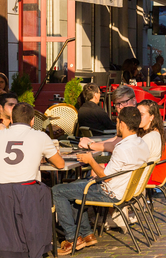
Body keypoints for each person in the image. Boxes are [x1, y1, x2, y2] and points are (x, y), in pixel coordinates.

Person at [52, 107, 149, 255]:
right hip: (125, 189)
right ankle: (86, 234)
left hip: (110, 192)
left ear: (121, 124)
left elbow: (106, 176)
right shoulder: (141, 143)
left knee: (57, 191)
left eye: (117, 122)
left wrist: (90, 160)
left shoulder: (122, 147)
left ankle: (72, 238)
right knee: (72, 188)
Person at [0, 103, 65, 183]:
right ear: (32, 121)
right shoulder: (40, 136)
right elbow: (60, 164)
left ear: (11, 119)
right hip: (28, 191)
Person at [137, 100, 166, 185]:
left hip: (154, 175)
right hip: (158, 173)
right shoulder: (156, 131)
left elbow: (135, 160)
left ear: (151, 117)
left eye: (141, 115)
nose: (137, 118)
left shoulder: (149, 137)